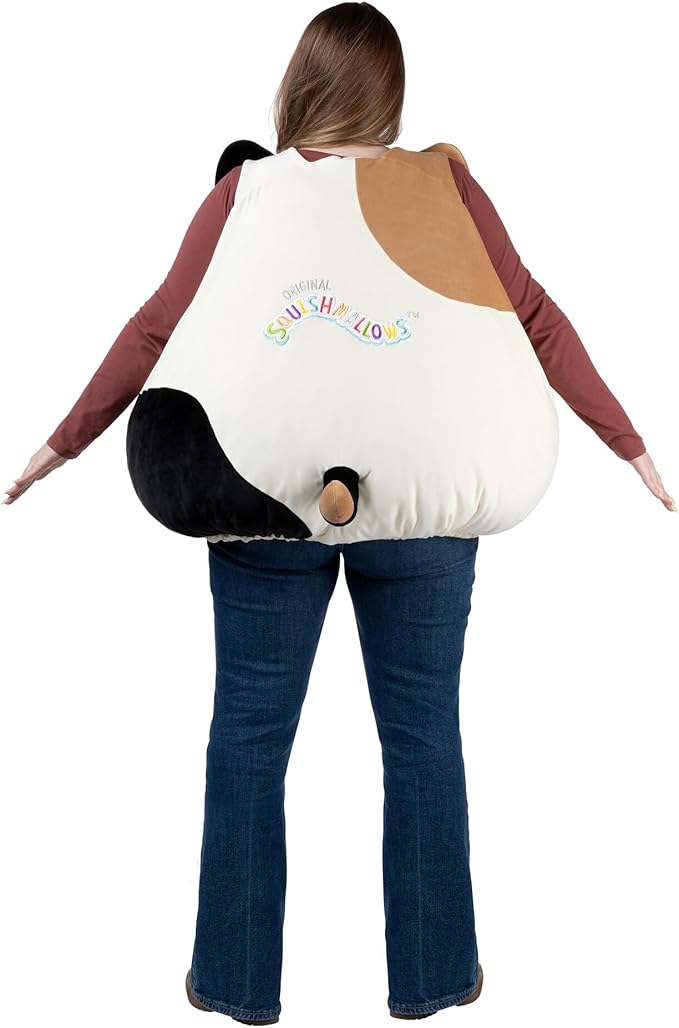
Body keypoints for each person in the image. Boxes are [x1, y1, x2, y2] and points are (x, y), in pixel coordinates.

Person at [3, 2, 675, 1024]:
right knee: (422, 734)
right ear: (390, 95)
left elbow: (156, 326)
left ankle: (234, 981)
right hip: (428, 504)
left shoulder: (246, 190)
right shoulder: (446, 186)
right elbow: (532, 314)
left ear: (299, 84)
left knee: (248, 733)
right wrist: (629, 443)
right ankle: (435, 975)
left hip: (262, 501)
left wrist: (58, 446)